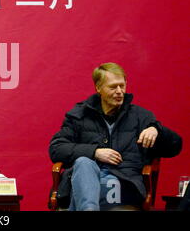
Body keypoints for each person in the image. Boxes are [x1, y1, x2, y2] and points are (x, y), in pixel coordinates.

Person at [49, 62, 182, 210]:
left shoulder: (141, 117)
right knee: (83, 162)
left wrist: (157, 130)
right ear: (98, 88)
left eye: (122, 85)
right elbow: (56, 148)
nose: (119, 91)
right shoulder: (80, 116)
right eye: (113, 87)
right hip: (83, 185)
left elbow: (175, 147)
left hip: (123, 186)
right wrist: (95, 152)